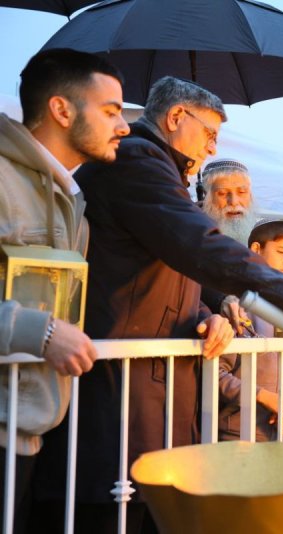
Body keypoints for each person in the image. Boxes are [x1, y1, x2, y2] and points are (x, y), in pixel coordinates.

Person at [33, 77, 283, 534]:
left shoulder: (157, 169)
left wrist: (206, 316)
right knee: (113, 511)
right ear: (176, 118)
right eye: (209, 133)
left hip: (150, 388)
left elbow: (174, 271)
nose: (212, 145)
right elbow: (198, 246)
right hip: (122, 389)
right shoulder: (137, 163)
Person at [0, 48, 129, 532]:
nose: (124, 127)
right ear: (61, 109)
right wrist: (44, 332)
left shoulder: (74, 199)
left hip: (32, 434)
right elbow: (46, 324)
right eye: (112, 111)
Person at [218, 221, 283, 442]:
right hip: (239, 430)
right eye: (281, 251)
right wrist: (262, 397)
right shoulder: (234, 304)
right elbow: (216, 372)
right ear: (256, 249)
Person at [201, 158, 258, 244]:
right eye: (222, 193)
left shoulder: (263, 234)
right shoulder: (191, 235)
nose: (234, 202)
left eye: (241, 192)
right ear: (207, 196)